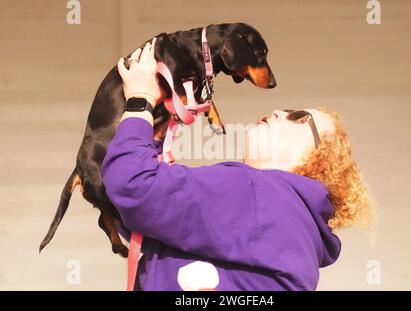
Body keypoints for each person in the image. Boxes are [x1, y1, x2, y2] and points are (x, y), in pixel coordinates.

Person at [101, 38, 374, 291]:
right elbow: (151, 221)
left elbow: (133, 187)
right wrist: (152, 139)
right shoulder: (296, 236)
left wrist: (140, 102)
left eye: (299, 117)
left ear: (316, 162)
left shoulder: (259, 193)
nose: (280, 111)